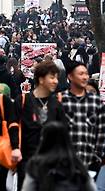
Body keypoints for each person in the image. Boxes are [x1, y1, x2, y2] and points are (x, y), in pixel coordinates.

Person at [15, 61, 67, 189]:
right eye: (52, 77)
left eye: (56, 77)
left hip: (51, 164)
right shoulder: (22, 101)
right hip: (27, 161)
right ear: (41, 79)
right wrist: (15, 149)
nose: (56, 81)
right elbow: (14, 126)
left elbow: (63, 133)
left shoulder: (58, 103)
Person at [60, 61, 105, 177]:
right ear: (70, 76)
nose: (85, 77)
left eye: (86, 74)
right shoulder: (60, 100)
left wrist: (97, 156)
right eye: (80, 74)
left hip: (89, 162)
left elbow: (101, 131)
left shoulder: (96, 101)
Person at [22, 122, 96, 191]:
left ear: (44, 139)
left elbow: (27, 188)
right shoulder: (76, 164)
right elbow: (91, 188)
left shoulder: (36, 164)